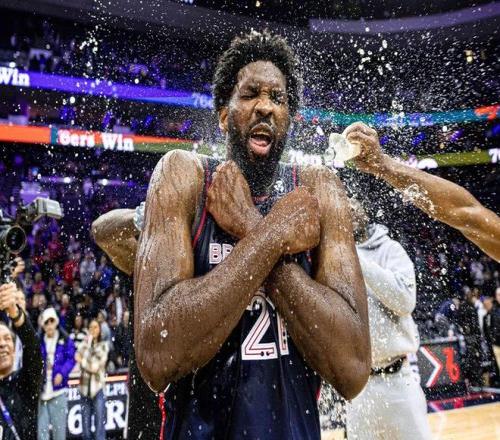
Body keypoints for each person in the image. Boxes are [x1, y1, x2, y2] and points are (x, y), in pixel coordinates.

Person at [134, 30, 370, 439]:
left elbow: (351, 370)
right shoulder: (183, 175)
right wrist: (272, 235)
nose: (265, 106)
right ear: (224, 116)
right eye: (250, 94)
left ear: (289, 120)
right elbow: (157, 356)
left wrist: (250, 226)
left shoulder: (318, 188)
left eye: (278, 98)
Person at [348, 121, 500, 261]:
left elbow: (468, 216)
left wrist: (384, 166)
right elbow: (468, 216)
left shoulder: (390, 250)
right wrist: (384, 166)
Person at [345, 199, 432, 439]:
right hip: (359, 386)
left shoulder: (390, 249)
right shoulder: (335, 256)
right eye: (345, 207)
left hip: (398, 380)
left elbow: (405, 301)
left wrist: (357, 260)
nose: (351, 210)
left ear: (365, 211)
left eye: (355, 205)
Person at [0, 282, 42, 440]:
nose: (2, 344)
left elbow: (33, 349)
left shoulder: (25, 383)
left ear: (13, 348)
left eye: (7, 339)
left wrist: (15, 313)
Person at [38, 307, 76, 440]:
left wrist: (61, 373)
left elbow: (71, 359)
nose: (49, 325)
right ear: (43, 325)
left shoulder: (65, 339)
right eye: (46, 322)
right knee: (41, 434)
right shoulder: (38, 341)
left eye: (51, 321)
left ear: (56, 322)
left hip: (58, 392)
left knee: (59, 434)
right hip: (41, 393)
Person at [75, 319, 109, 440]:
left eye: (95, 327)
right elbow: (76, 356)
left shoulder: (103, 346)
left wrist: (83, 360)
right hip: (84, 390)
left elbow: (94, 367)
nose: (93, 330)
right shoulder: (84, 344)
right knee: (85, 430)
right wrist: (88, 346)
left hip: (98, 389)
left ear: (99, 330)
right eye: (91, 327)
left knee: (100, 428)